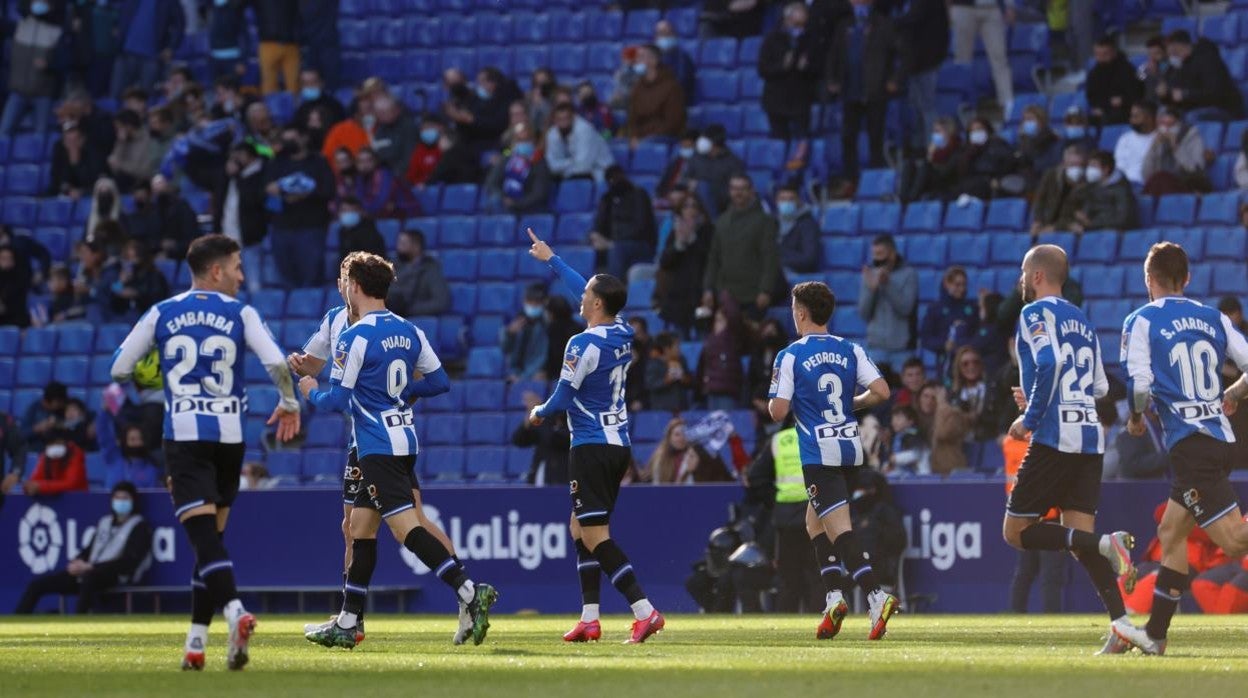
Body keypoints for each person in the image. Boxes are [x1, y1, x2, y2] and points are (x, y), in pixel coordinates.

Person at [110, 234, 302, 671]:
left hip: (184, 438)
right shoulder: (241, 312)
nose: (241, 275)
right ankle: (196, 644)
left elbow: (120, 367)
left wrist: (159, 376)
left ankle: (235, 612)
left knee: (203, 541)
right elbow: (275, 362)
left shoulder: (162, 312)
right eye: (236, 266)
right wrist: (290, 403)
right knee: (210, 541)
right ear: (216, 271)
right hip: (230, 439)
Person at [300, 252, 498, 649]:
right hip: (404, 440)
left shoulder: (354, 336)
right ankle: (348, 620)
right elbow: (440, 381)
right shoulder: (410, 331)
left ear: (354, 286)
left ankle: (468, 591)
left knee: (406, 530)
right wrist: (407, 391)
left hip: (375, 446)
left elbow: (337, 400)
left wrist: (309, 389)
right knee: (359, 528)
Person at [525, 228, 666, 644]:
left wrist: (537, 412)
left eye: (587, 294)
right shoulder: (622, 332)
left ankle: (645, 610)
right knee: (580, 526)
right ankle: (589, 617)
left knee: (594, 534)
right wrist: (552, 259)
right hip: (618, 444)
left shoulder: (580, 343)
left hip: (589, 445)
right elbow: (580, 288)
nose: (580, 296)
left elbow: (562, 398)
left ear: (597, 303)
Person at [1001, 244, 1137, 655]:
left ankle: (1105, 544)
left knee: (1016, 533)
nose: (1022, 281)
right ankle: (1123, 626)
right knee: (1079, 541)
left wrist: (1030, 417)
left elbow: (1048, 362)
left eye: (1025, 273)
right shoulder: (1083, 320)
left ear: (1038, 275)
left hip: (1055, 437)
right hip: (1090, 439)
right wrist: (1045, 399)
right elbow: (1097, 387)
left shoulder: (1034, 313)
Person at [1113, 243, 1248, 655]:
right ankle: (1155, 635)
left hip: (1191, 446)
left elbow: (1138, 384)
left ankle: (1154, 635)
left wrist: (1136, 419)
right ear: (1186, 279)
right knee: (1171, 533)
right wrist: (1236, 392)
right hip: (1219, 440)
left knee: (1236, 542)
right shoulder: (1214, 318)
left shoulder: (1142, 320)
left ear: (1148, 280)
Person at [767, 280, 898, 640]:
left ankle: (875, 595)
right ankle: (835, 597)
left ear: (801, 312)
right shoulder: (850, 349)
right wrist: (847, 405)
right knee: (815, 523)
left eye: (794, 308)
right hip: (851, 450)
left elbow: (777, 412)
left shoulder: (790, 355)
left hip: (819, 453)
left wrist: (785, 399)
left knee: (840, 530)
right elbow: (883, 391)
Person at [15, 482, 152, 614]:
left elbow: (129, 562)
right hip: (89, 571)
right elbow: (89, 550)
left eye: (125, 498)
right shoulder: (105, 522)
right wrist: (77, 562)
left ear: (133, 501)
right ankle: (16, 624)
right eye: (117, 498)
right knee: (37, 585)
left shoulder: (139, 526)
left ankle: (78, 622)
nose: (121, 502)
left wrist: (92, 567)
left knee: (89, 579)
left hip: (114, 575)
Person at [825, 0, 903, 179]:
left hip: (875, 90)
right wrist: (832, 79)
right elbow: (834, 54)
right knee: (848, 137)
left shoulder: (885, 24)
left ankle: (875, 177)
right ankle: (850, 179)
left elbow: (902, 54)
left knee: (876, 136)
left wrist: (894, 79)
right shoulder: (844, 25)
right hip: (850, 89)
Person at [700, 175, 781, 320]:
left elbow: (770, 259)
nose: (738, 193)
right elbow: (713, 258)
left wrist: (766, 290)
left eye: (742, 189)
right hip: (726, 294)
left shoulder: (765, 221)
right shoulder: (721, 222)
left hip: (754, 295)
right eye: (734, 189)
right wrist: (708, 288)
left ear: (751, 191)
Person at [265, 127, 336, 288]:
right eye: (285, 140)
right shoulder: (276, 163)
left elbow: (328, 190)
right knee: (286, 280)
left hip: (311, 227)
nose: (289, 144)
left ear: (304, 139)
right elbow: (265, 189)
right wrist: (274, 190)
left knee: (312, 279)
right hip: (282, 227)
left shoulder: (318, 162)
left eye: (293, 139)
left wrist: (304, 194)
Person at [758, 3, 821, 143]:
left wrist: (806, 67)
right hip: (776, 101)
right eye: (796, 23)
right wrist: (782, 66)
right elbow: (763, 70)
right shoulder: (772, 39)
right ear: (786, 20)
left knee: (802, 143)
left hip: (801, 100)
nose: (799, 28)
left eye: (802, 24)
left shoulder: (811, 40)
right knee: (779, 142)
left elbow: (818, 69)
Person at [1, 1, 65, 138]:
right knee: (4, 132)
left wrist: (48, 64)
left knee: (40, 136)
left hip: (43, 93)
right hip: (18, 90)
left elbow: (64, 62)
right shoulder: (21, 26)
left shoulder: (56, 31)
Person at [891, 0, 949, 153]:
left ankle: (933, 147)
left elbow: (914, 17)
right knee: (916, 106)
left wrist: (888, 24)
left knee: (927, 106)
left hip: (927, 60)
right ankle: (919, 147)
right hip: (913, 62)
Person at [857, 234, 918, 372]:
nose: (876, 258)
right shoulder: (869, 275)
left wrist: (887, 284)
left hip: (901, 349)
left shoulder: (909, 274)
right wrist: (872, 290)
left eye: (880, 253)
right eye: (874, 254)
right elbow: (864, 313)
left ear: (892, 254)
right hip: (876, 347)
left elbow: (906, 308)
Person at [215, 142, 269, 293]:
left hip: (249, 239)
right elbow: (219, 204)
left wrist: (238, 176)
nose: (236, 160)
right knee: (228, 287)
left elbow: (252, 201)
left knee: (254, 286)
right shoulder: (228, 179)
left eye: (240, 156)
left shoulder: (258, 175)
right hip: (227, 240)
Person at [588, 166, 657, 282]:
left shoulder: (639, 194)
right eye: (610, 179)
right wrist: (595, 236)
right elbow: (598, 224)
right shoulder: (607, 198)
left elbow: (641, 228)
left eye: (616, 177)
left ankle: (612, 293)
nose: (613, 181)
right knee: (588, 249)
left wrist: (612, 243)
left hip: (640, 243)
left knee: (617, 249)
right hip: (612, 243)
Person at [655, 196, 713, 332]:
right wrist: (679, 245)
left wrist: (693, 240)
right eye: (686, 206)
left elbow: (711, 259)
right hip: (678, 296)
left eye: (694, 206)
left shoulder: (709, 231)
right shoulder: (675, 232)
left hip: (702, 295)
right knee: (677, 331)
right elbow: (664, 262)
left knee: (702, 327)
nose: (690, 210)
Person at [1159, 29, 1244, 120]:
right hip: (1193, 106)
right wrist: (1165, 95)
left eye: (1174, 52)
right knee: (1163, 114)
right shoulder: (1179, 65)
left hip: (1222, 107)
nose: (1172, 57)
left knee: (1191, 117)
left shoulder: (1208, 59)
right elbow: (1176, 93)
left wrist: (1186, 95)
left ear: (1179, 46)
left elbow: (1216, 93)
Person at [110, 0, 185, 100]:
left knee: (146, 98)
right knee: (116, 96)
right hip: (125, 53)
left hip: (152, 57)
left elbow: (180, 23)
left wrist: (171, 47)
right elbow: (117, 11)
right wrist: (115, 27)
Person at [949, 0, 1012, 111]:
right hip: (963, 7)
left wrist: (1009, 5)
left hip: (991, 7)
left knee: (999, 58)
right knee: (962, 61)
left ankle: (1008, 104)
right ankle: (963, 103)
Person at [484, 122, 553, 214]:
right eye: (519, 141)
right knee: (494, 200)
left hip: (527, 208)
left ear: (533, 142)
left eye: (526, 140)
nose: (522, 145)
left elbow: (539, 194)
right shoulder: (506, 159)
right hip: (504, 202)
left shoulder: (539, 162)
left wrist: (516, 203)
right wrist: (503, 198)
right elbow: (491, 182)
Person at [919, 266, 977, 374]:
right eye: (957, 285)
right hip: (945, 363)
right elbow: (926, 338)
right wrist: (944, 345)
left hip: (968, 362)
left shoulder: (972, 308)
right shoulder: (935, 309)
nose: (962, 289)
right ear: (947, 284)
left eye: (964, 285)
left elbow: (977, 333)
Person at [1140, 107, 1210, 196]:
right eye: (1162, 124)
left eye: (1170, 125)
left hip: (1188, 185)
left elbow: (1195, 169)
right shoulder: (1158, 140)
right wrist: (1153, 148)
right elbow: (1146, 175)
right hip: (1162, 185)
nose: (1166, 129)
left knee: (1161, 178)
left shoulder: (1191, 136)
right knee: (1157, 181)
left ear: (1178, 123)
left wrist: (1176, 147)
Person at [626, 44, 687, 146]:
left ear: (654, 61)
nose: (637, 61)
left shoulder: (671, 87)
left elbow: (673, 123)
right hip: (641, 139)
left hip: (662, 139)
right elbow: (633, 119)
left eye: (641, 57)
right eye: (637, 57)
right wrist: (634, 136)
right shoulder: (638, 87)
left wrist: (647, 139)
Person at [643, 418, 733, 484]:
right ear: (669, 438)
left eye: (684, 434)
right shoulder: (660, 457)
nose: (681, 438)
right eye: (677, 435)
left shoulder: (699, 454)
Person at [385, 230, 451, 318]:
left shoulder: (430, 269)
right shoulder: (393, 266)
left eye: (403, 244)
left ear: (416, 247)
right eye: (399, 243)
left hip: (414, 319)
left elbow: (441, 302)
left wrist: (409, 310)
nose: (398, 248)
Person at [545, 103, 615, 184]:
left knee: (576, 180)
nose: (563, 123)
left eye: (566, 119)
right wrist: (572, 162)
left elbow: (583, 167)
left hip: (602, 170)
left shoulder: (584, 130)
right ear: (554, 120)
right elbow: (551, 165)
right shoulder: (552, 133)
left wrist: (562, 169)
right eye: (560, 119)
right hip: (574, 173)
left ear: (573, 117)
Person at [512, 391, 571, 486]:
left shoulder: (572, 421)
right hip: (541, 474)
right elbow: (519, 440)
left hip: (563, 477)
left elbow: (555, 439)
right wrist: (530, 416)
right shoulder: (545, 422)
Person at [1070, 150, 1138, 233]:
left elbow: (1123, 219)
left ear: (1106, 169)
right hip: (1091, 231)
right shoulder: (1090, 188)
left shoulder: (1122, 190)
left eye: (1094, 166)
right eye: (1089, 166)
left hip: (1112, 233)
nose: (1089, 170)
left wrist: (1090, 223)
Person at [952, 117, 1016, 200]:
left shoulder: (998, 145)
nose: (976, 133)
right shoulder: (966, 151)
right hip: (973, 185)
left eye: (979, 129)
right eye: (972, 131)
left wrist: (996, 180)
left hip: (993, 184)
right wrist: (969, 155)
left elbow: (1007, 164)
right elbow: (962, 173)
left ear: (987, 131)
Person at [96, 408, 161, 490]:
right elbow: (103, 435)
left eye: (140, 439)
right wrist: (104, 412)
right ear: (125, 442)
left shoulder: (151, 469)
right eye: (132, 439)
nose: (137, 442)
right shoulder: (113, 457)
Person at [1030, 145, 1087, 234]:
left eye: (1079, 165)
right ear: (1064, 163)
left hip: (1069, 224)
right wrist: (1038, 220)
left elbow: (1076, 211)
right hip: (1048, 220)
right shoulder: (1051, 175)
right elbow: (1040, 199)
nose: (1075, 169)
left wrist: (1058, 226)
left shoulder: (1086, 182)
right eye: (1072, 165)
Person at [1085, 36, 1142, 126]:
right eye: (1098, 54)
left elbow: (1138, 93)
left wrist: (1123, 100)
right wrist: (1099, 107)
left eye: (1105, 54)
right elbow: (1092, 96)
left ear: (1114, 52)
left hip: (1125, 110)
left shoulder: (1128, 69)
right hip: (1103, 110)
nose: (1101, 58)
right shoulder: (1094, 73)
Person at [348, 147, 419, 219]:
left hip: (407, 216)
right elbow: (358, 199)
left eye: (369, 160)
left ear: (376, 161)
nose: (365, 165)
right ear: (356, 164)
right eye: (361, 161)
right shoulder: (360, 178)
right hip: (380, 216)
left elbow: (381, 203)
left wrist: (363, 211)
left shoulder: (385, 175)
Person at [503, 284, 551, 383]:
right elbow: (505, 349)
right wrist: (509, 334)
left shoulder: (547, 325)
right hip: (516, 374)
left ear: (544, 303)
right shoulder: (518, 321)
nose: (532, 305)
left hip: (535, 375)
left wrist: (523, 378)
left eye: (537, 302)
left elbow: (542, 357)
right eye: (529, 301)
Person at [48, 122, 107, 199]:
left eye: (73, 141)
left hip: (92, 195)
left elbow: (96, 183)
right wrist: (68, 190)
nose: (70, 145)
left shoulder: (94, 155)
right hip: (69, 196)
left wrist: (76, 164)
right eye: (67, 140)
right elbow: (59, 181)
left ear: (82, 140)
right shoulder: (62, 154)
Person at [21, 429, 88, 496]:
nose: (54, 446)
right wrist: (28, 487)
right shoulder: (46, 456)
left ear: (66, 442)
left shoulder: (75, 454)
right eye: (51, 444)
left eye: (58, 443)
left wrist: (42, 487)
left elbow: (71, 484)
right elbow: (35, 480)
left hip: (76, 498)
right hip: (53, 498)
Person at [108, 109, 161, 193]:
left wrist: (120, 165)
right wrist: (121, 143)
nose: (117, 131)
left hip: (145, 184)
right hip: (125, 182)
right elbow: (113, 166)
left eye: (119, 128)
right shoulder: (122, 141)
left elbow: (144, 171)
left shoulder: (148, 139)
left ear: (129, 126)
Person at [253, 0, 299, 95]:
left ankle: (295, 109)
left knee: (294, 83)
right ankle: (270, 108)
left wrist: (297, 35)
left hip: (291, 44)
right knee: (269, 84)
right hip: (268, 43)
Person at [1013, 105, 1063, 190]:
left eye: (1030, 119)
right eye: (1025, 120)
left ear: (1041, 121)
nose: (1026, 123)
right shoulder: (1021, 142)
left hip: (1044, 182)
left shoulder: (1052, 140)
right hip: (1025, 182)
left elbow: (1048, 164)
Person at [775, 185, 821, 275]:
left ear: (799, 201)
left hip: (795, 272)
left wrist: (778, 260)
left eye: (791, 199)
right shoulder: (772, 223)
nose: (787, 203)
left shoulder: (807, 225)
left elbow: (809, 259)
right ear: (776, 202)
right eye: (783, 199)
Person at [371, 95, 420, 176]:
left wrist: (394, 176)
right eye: (378, 113)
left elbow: (410, 156)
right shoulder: (380, 129)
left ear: (396, 110)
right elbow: (376, 152)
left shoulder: (408, 127)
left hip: (403, 175)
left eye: (384, 112)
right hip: (384, 174)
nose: (380, 116)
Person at [1113, 101, 1157, 187]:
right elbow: (1119, 166)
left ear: (1149, 118)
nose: (1131, 120)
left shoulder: (1160, 138)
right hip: (1127, 185)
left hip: (1151, 185)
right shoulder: (1125, 139)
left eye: (1136, 116)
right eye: (1131, 116)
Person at [646, 332, 692, 412]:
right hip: (661, 410)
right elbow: (650, 385)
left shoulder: (681, 360)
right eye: (677, 347)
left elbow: (690, 382)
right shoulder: (653, 364)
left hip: (681, 408)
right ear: (667, 349)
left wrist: (684, 378)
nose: (679, 349)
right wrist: (666, 380)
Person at [335, 197, 387, 265]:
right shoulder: (343, 231)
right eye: (345, 210)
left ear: (361, 212)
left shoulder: (370, 233)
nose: (348, 214)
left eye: (352, 211)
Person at [293, 69, 345, 134]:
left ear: (321, 83)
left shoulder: (334, 105)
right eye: (305, 83)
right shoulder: (302, 108)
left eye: (313, 82)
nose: (309, 86)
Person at [655, 20, 696, 100]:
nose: (663, 37)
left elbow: (682, 82)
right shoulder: (654, 57)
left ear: (674, 35)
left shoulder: (683, 58)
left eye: (666, 34)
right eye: (660, 34)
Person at [21, 382, 69, 450]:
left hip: (60, 448)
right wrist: (39, 428)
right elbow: (22, 434)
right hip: (38, 449)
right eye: (59, 402)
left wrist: (59, 425)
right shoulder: (34, 409)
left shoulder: (64, 408)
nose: (62, 404)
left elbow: (81, 416)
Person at [406, 115, 446, 187]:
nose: (427, 130)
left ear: (441, 128)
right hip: (423, 189)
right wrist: (418, 183)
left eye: (430, 127)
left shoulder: (447, 148)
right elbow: (412, 175)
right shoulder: (419, 150)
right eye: (424, 128)